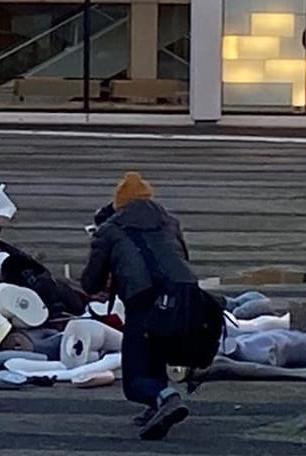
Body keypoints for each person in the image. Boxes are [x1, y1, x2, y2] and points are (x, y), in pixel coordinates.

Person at [81, 172, 206, 441]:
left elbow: (91, 283)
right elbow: (181, 257)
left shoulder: (110, 230)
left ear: (118, 204)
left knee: (134, 381)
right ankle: (157, 407)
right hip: (184, 297)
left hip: (144, 300)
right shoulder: (170, 222)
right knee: (155, 355)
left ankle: (166, 397)